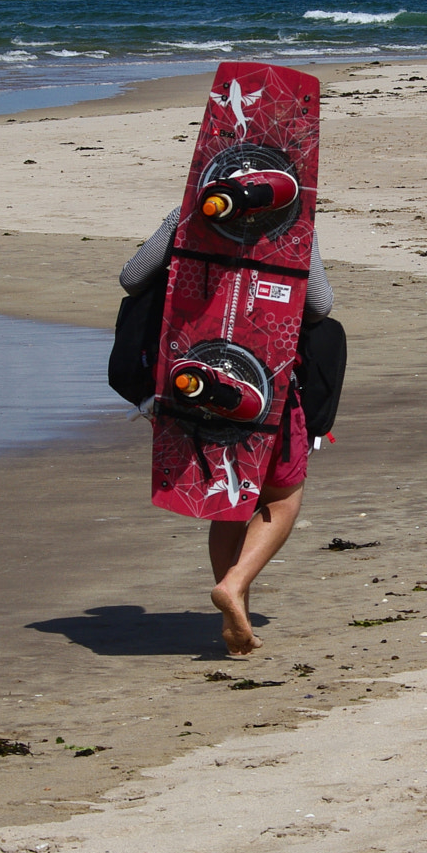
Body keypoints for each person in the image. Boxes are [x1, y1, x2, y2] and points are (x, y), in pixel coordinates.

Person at [120, 206, 334, 658]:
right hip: (266, 378)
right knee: (280, 497)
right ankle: (234, 586)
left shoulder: (186, 211)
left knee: (230, 497)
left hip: (193, 372)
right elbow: (319, 306)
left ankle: (234, 609)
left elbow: (132, 278)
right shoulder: (294, 222)